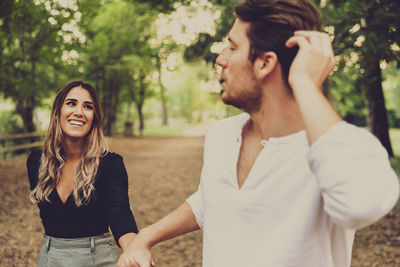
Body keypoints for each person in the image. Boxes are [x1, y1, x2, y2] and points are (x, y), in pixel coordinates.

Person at [118, 0, 400, 266]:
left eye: (231, 47)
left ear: (265, 63)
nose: (220, 59)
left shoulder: (339, 147)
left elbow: (361, 203)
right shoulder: (221, 135)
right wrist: (146, 236)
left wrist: (304, 82)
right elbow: (211, 200)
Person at [27, 81, 138, 266]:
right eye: (71, 103)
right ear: (58, 112)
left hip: (98, 259)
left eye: (88, 106)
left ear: (94, 117)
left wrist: (134, 248)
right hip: (50, 259)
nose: (79, 112)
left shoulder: (111, 163)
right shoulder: (36, 162)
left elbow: (120, 213)